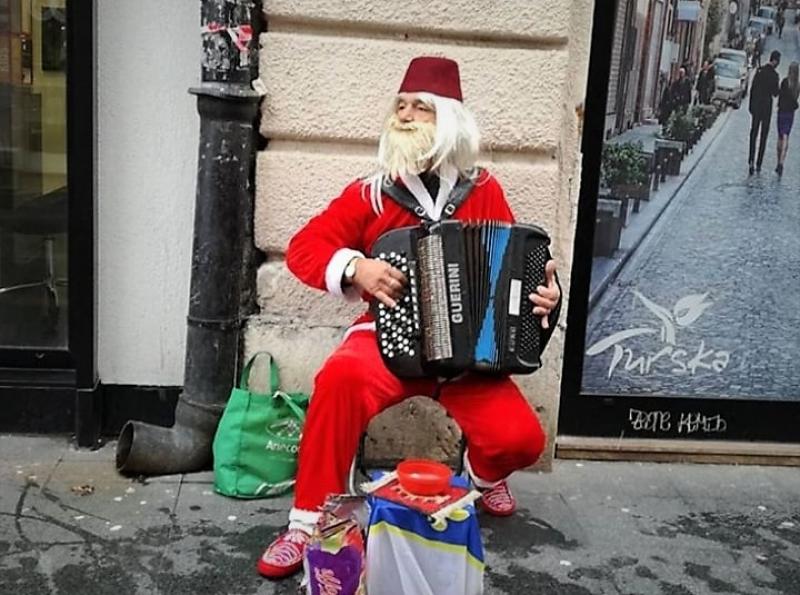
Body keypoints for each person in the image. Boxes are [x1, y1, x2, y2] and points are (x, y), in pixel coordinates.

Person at [255, 56, 562, 579]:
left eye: (421, 107)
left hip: (465, 359)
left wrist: (546, 296)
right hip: (386, 340)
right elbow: (307, 247)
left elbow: (515, 270)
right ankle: (307, 523)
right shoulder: (371, 192)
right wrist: (357, 267)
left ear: (449, 121)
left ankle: (483, 478)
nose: (406, 115)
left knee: (522, 440)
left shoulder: (483, 190)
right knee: (339, 379)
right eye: (401, 106)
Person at [748, 50, 781, 175]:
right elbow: (775, 93)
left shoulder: (760, 71)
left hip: (757, 106)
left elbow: (753, 88)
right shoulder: (774, 75)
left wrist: (751, 105)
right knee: (763, 136)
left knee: (753, 133)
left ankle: (751, 159)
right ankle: (759, 163)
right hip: (766, 107)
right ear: (776, 61)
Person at [775, 61, 799, 176]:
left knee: (780, 136)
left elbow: (779, 94)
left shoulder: (785, 82)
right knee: (786, 136)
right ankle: (782, 162)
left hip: (782, 111)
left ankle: (778, 161)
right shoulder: (797, 85)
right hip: (790, 113)